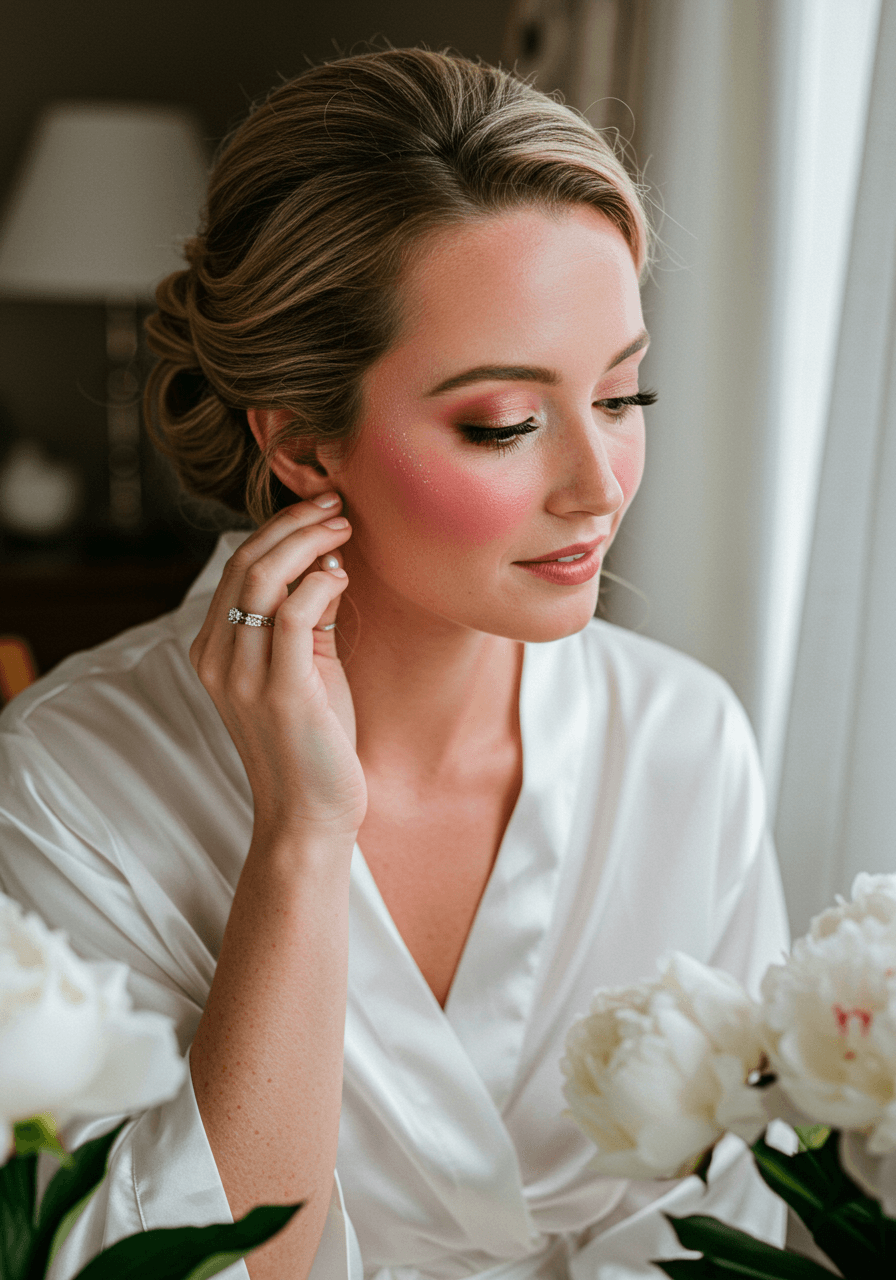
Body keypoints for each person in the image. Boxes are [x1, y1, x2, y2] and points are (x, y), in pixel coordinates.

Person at [0, 48, 789, 1280]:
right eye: (504, 424)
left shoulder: (684, 741)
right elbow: (166, 1264)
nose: (599, 488)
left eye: (625, 396)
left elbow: (723, 1233)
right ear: (303, 442)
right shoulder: (67, 780)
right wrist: (301, 836)